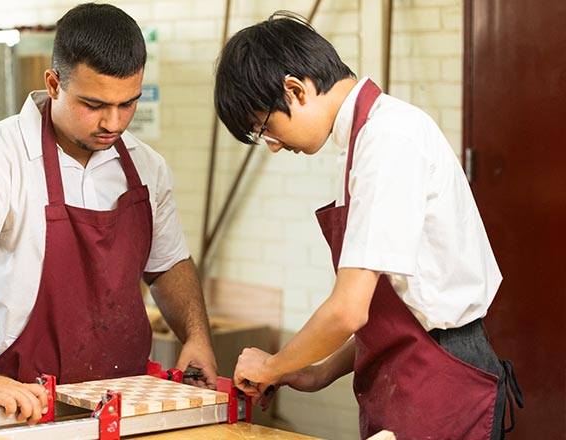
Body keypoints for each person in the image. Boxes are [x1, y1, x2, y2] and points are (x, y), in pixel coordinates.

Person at [0, 3, 217, 425]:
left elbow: (168, 264)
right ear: (53, 84)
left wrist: (196, 336)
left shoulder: (146, 167)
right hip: (18, 403)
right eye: (94, 104)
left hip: (120, 403)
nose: (113, 122)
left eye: (128, 104)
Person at [213, 11, 522, 440]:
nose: (275, 146)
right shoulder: (360, 147)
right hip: (410, 375)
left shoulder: (390, 140)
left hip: (442, 380)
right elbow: (387, 315)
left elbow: (348, 310)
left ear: (295, 89)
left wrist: (273, 365)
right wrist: (318, 372)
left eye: (265, 128)